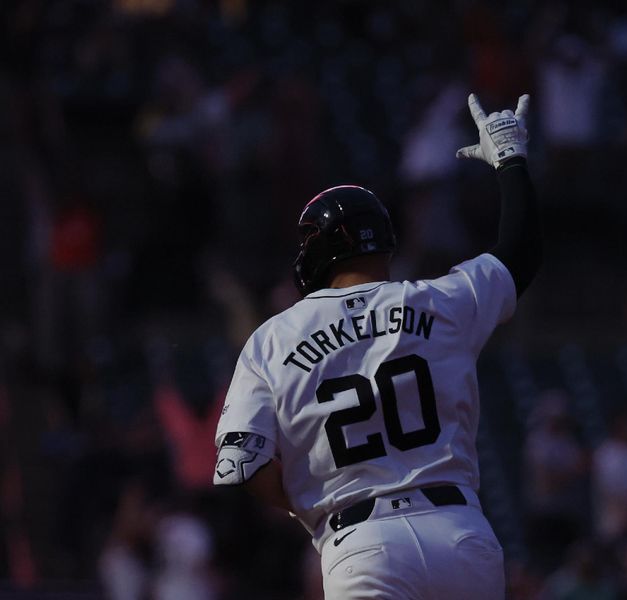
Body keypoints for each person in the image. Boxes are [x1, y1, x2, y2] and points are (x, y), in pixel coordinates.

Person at [212, 92, 541, 599]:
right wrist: (511, 161)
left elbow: (241, 465)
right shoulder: (442, 301)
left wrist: (310, 504)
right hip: (459, 532)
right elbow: (519, 254)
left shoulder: (272, 339)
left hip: (360, 539)